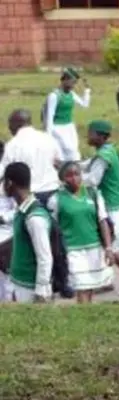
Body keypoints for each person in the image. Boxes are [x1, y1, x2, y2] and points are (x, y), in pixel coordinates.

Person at [47, 162, 114, 303]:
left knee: (90, 288)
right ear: (62, 179)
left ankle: (86, 316)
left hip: (94, 249)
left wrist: (108, 248)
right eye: (69, 175)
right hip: (73, 252)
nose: (74, 178)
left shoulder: (93, 194)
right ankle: (84, 315)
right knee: (81, 287)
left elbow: (103, 221)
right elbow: (52, 228)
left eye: (77, 174)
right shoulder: (56, 199)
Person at [83, 120, 119, 292]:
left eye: (91, 133)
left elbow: (92, 180)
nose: (88, 136)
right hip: (116, 206)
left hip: (115, 209)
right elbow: (88, 164)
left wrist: (70, 178)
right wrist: (69, 165)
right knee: (112, 245)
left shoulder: (104, 156)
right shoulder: (107, 150)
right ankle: (110, 280)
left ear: (99, 136)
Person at [3, 162, 53, 303]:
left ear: (9, 183)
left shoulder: (35, 218)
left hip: (30, 289)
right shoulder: (21, 211)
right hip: (18, 285)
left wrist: (41, 293)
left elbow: (45, 257)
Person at [0, 109, 62, 207]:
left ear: (17, 123)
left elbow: (3, 171)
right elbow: (58, 163)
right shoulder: (48, 139)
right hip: (53, 193)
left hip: (28, 197)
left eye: (10, 124)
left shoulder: (13, 145)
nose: (9, 127)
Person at [44, 68, 90, 162]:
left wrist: (87, 91)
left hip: (69, 126)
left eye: (75, 83)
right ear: (64, 80)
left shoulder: (71, 94)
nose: (73, 85)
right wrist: (48, 136)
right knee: (69, 151)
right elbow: (49, 117)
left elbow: (85, 105)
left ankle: (73, 167)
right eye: (72, 82)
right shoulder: (54, 96)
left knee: (74, 150)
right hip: (57, 127)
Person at [0, 140, 14, 302]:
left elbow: (19, 207)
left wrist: (3, 218)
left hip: (6, 237)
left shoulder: (8, 178)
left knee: (8, 284)